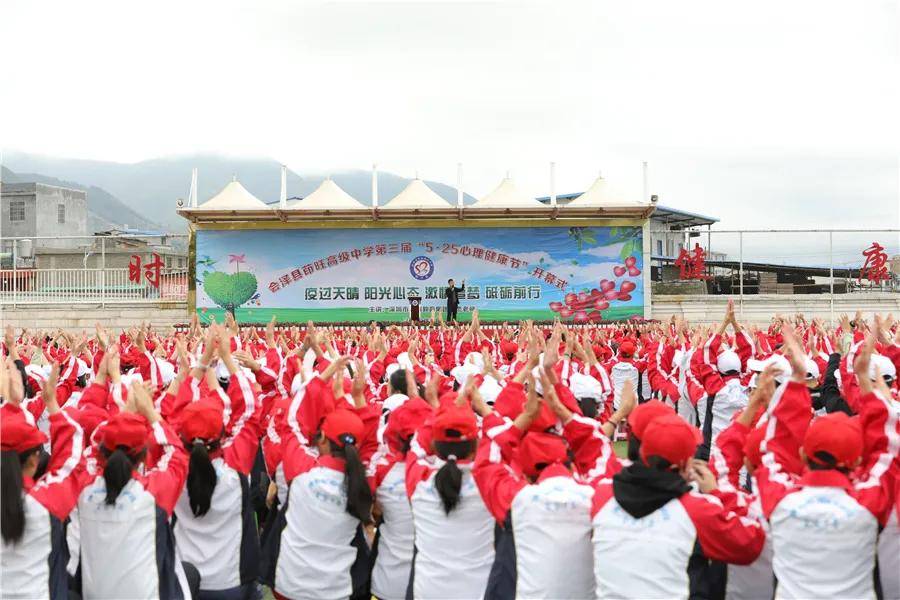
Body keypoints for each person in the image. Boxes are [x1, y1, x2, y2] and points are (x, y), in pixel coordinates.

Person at [73, 382, 192, 599]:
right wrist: (150, 412)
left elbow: (91, 450)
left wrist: (125, 413)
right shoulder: (151, 494)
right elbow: (176, 454)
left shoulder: (84, 488)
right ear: (143, 456)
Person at [1, 360, 84, 600]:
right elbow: (72, 454)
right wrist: (52, 406)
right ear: (34, 461)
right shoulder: (46, 503)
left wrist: (11, 405)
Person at [405, 394, 494, 599]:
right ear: (475, 447)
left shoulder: (419, 483)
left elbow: (417, 446)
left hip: (428, 590)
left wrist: (438, 412)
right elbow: (503, 442)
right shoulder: (490, 483)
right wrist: (484, 410)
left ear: (435, 447)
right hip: (477, 592)